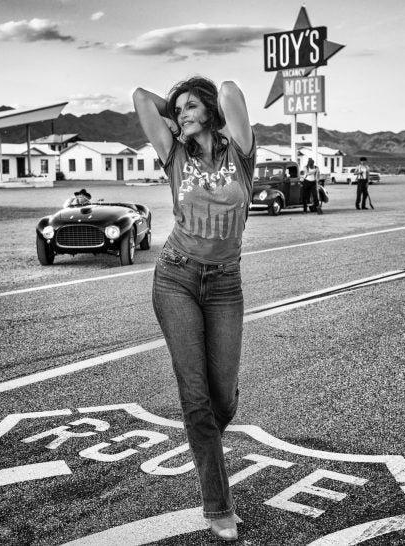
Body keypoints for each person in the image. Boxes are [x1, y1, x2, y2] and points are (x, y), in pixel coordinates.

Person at [133, 76, 255, 542]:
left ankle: (203, 443)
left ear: (208, 108)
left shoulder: (241, 151)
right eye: (178, 109)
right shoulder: (174, 154)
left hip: (225, 284)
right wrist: (175, 116)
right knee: (197, 397)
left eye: (190, 107)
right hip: (176, 278)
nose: (182, 114)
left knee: (223, 400)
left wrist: (203, 103)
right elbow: (141, 99)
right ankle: (218, 506)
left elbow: (229, 89)